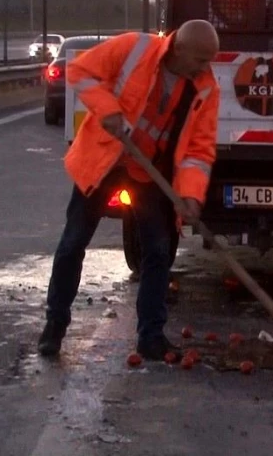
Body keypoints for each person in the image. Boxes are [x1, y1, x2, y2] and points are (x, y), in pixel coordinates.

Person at [38, 20, 221, 359]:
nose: (205, 67)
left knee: (159, 253)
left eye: (209, 60)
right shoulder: (134, 48)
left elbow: (199, 148)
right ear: (178, 49)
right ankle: (54, 327)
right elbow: (81, 71)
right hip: (105, 159)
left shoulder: (205, 88)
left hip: (150, 172)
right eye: (200, 60)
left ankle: (151, 336)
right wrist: (107, 110)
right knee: (73, 244)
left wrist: (190, 195)